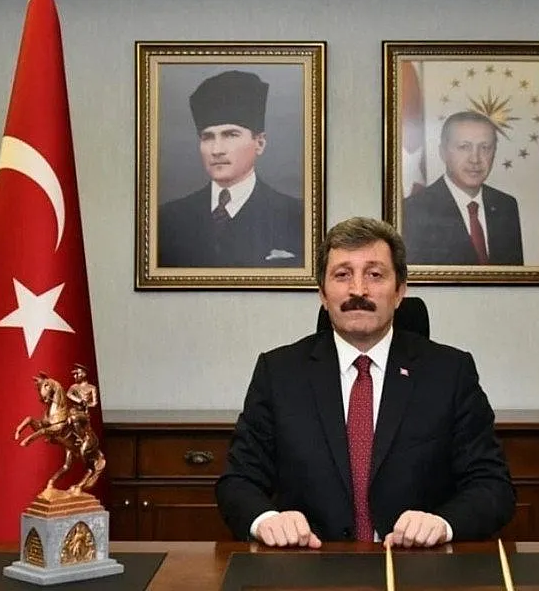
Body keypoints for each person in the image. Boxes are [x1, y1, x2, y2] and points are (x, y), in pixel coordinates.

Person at [216, 217, 514, 547]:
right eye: (342, 275)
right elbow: (238, 481)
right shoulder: (278, 373)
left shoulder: (450, 373)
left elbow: (493, 486)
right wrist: (267, 520)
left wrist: (443, 524)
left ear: (400, 291)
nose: (358, 290)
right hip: (311, 563)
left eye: (375, 274)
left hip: (415, 564)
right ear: (322, 293)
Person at [157, 70, 304, 267]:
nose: (216, 150)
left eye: (231, 135)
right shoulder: (168, 219)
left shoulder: (296, 216)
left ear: (259, 143)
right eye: (208, 137)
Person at [402, 111, 523, 266]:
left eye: (485, 148)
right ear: (443, 152)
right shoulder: (413, 210)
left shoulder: (506, 206)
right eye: (464, 147)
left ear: (494, 153)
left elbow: (515, 277)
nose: (475, 159)